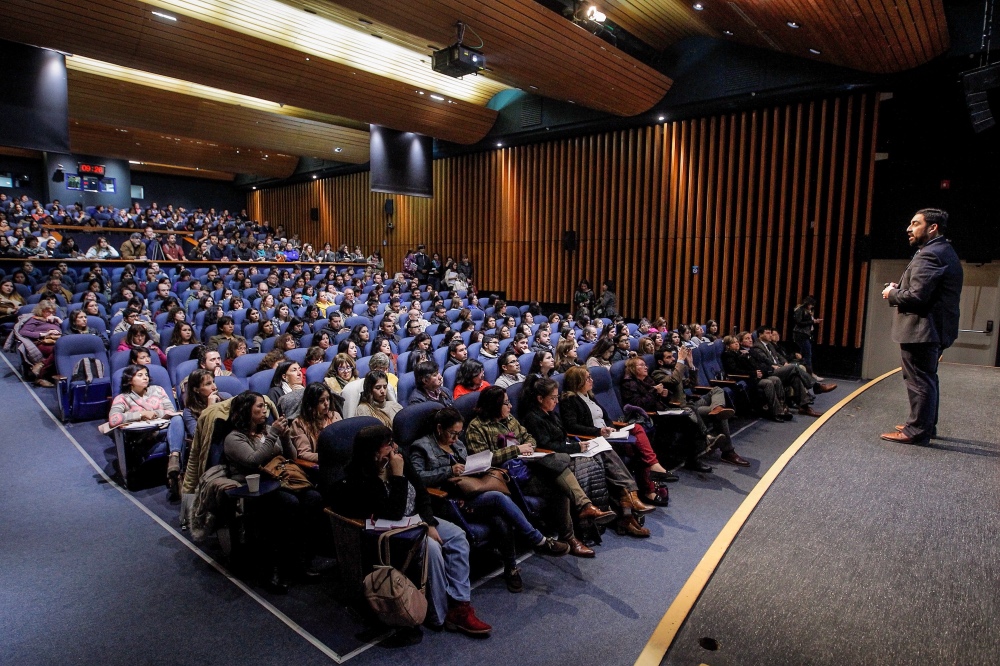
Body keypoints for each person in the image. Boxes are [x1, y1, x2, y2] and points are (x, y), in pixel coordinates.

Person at [334, 424, 493, 636]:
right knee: (433, 549)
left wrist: (429, 523)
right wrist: (398, 476)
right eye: (389, 445)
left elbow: (422, 492)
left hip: (417, 520)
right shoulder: (359, 478)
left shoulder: (399, 457)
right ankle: (439, 614)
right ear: (373, 452)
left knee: (457, 536)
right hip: (392, 533)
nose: (395, 448)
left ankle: (460, 606)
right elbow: (394, 513)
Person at [409, 407, 570, 592]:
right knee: (497, 498)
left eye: (458, 433)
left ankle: (511, 568)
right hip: (447, 502)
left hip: (471, 493)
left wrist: (479, 467)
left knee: (500, 518)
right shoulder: (421, 447)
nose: (456, 438)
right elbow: (417, 478)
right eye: (452, 433)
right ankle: (538, 540)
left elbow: (467, 464)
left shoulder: (457, 444)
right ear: (439, 428)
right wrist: (448, 471)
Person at [464, 386, 612, 558]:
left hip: (527, 467)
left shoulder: (509, 419)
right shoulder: (477, 427)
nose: (510, 406)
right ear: (494, 405)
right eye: (506, 403)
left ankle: (577, 522)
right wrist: (516, 450)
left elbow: (529, 437)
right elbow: (481, 459)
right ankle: (577, 523)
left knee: (558, 479)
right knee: (558, 478)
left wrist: (528, 447)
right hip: (506, 478)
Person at [521, 377, 653, 537]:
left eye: (557, 397)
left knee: (604, 452)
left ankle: (628, 500)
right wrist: (576, 446)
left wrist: (583, 441)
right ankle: (627, 503)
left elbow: (563, 437)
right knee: (598, 462)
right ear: (540, 398)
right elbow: (548, 445)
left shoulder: (550, 414)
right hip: (554, 459)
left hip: (567, 451)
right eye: (553, 398)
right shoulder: (532, 417)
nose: (556, 401)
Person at [224, 391, 325, 593]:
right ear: (246, 411)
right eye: (259, 407)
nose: (265, 410)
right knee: (289, 504)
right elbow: (253, 461)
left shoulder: (269, 430)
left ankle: (300, 560)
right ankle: (273, 569)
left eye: (264, 406)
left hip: (282, 479)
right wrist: (273, 436)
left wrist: (286, 439)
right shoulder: (234, 438)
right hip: (255, 487)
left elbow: (291, 456)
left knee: (313, 498)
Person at [880, 208, 963, 444]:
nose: (909, 228)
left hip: (921, 331)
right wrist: (901, 288)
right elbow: (925, 290)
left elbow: (917, 297)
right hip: (932, 329)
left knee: (918, 380)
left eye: (915, 223)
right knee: (927, 379)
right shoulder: (942, 250)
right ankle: (925, 425)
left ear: (932, 227)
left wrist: (892, 293)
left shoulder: (930, 254)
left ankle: (917, 430)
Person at [560, 366, 675, 506]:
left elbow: (606, 417)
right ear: (577, 381)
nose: (592, 380)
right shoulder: (570, 400)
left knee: (637, 430)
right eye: (587, 378)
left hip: (608, 434)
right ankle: (647, 489)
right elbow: (571, 426)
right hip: (594, 439)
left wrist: (611, 429)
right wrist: (598, 431)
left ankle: (652, 470)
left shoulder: (589, 396)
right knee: (638, 448)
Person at [109, 364, 181, 495]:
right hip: (143, 435)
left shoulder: (158, 390)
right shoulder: (123, 398)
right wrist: (140, 415)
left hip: (167, 429)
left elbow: (171, 411)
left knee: (178, 419)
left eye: (146, 375)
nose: (145, 378)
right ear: (130, 379)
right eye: (140, 375)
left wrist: (153, 414)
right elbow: (114, 419)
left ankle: (174, 460)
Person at [288, 382, 342, 462]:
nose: (326, 403)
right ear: (311, 403)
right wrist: (329, 457)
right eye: (321, 401)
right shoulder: (299, 424)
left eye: (328, 399)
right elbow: (304, 453)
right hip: (319, 465)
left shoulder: (335, 416)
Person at [18, 300, 63, 387]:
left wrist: (58, 320)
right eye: (48, 311)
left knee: (63, 348)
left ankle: (41, 364)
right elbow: (23, 332)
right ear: (41, 310)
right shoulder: (34, 320)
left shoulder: (54, 320)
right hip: (43, 342)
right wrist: (44, 334)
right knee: (57, 350)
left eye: (53, 312)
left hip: (58, 340)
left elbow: (67, 329)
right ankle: (41, 376)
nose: (51, 313)